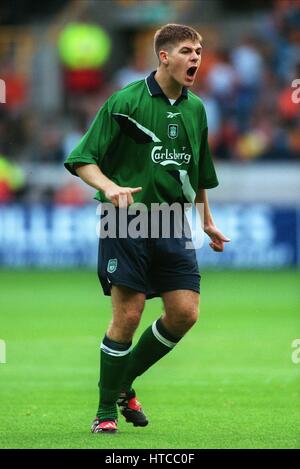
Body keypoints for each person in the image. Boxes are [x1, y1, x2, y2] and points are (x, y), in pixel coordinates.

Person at [64, 23, 230, 434]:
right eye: (188, 51)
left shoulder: (196, 109)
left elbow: (196, 173)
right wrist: (109, 187)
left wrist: (206, 219)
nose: (196, 58)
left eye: (199, 51)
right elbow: (83, 158)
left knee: (184, 314)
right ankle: (104, 413)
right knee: (129, 314)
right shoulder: (125, 102)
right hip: (127, 217)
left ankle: (123, 384)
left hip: (173, 220)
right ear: (164, 56)